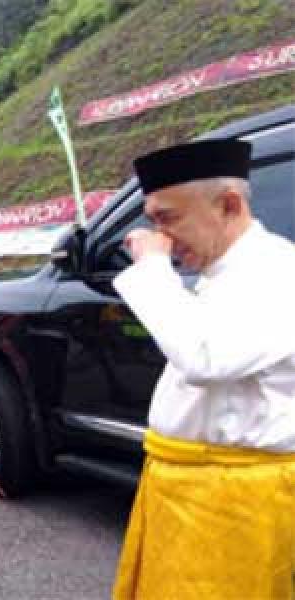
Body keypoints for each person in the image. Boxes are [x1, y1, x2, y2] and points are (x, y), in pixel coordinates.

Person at [111, 139, 295, 599]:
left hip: (237, 506)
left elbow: (205, 356)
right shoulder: (222, 273)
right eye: (154, 222)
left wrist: (152, 269)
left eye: (168, 218)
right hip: (193, 493)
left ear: (228, 205)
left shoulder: (278, 271)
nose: (162, 238)